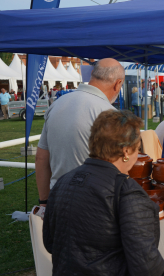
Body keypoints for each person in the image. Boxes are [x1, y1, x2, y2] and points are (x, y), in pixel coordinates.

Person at [43, 110, 164, 276]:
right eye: (137, 148)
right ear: (126, 151)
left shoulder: (63, 182)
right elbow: (146, 265)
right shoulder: (127, 191)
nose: (138, 154)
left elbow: (51, 242)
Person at [35, 58, 124, 207]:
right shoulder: (111, 115)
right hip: (94, 203)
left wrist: (44, 201)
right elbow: (118, 169)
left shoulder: (57, 104)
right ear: (118, 84)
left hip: (58, 197)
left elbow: (41, 158)